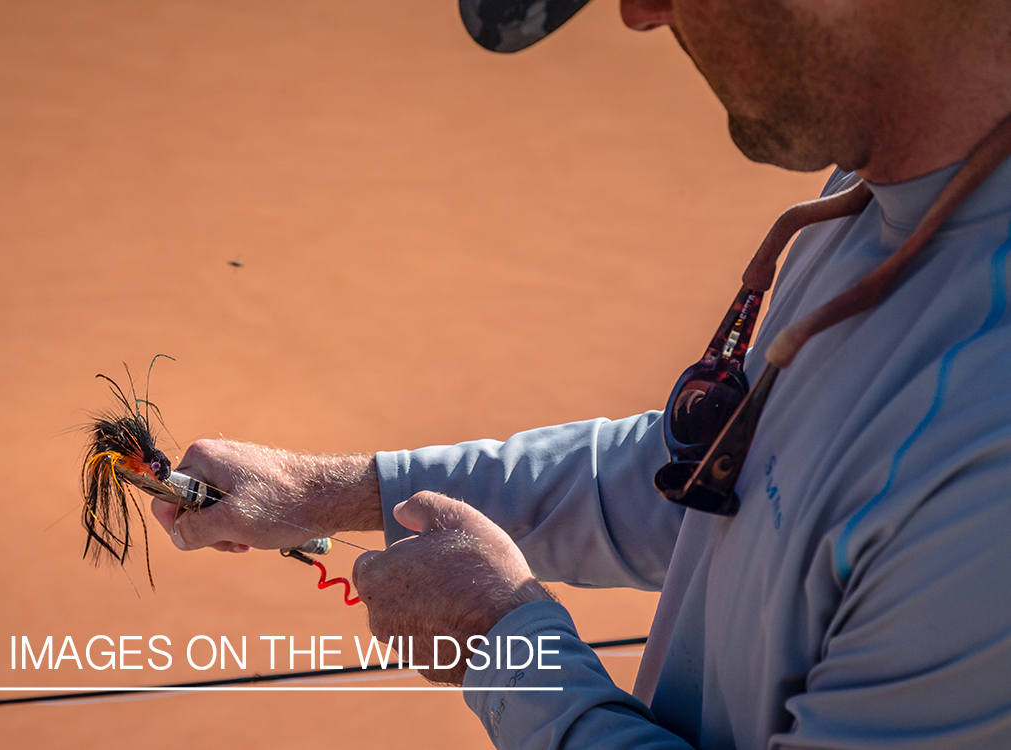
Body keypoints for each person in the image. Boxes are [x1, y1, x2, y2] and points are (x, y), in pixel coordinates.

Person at [152, 1, 1011, 747]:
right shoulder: (880, 177)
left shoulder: (988, 466)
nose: (638, 10)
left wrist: (506, 646)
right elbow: (727, 477)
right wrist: (333, 493)